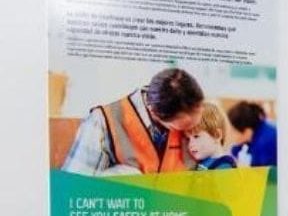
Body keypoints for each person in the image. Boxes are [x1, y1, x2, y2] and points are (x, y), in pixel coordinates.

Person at [61, 68, 204, 175]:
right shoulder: (102, 122)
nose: (190, 133)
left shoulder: (201, 114)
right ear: (155, 113)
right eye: (184, 127)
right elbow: (75, 189)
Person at [186, 103, 237, 170]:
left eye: (196, 137)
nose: (190, 144)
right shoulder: (202, 161)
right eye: (188, 139)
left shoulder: (225, 165)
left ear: (217, 135)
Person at [226, 101, 278, 167]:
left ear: (246, 131)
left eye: (233, 131)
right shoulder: (256, 130)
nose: (230, 135)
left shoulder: (265, 142)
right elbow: (236, 151)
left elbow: (265, 173)